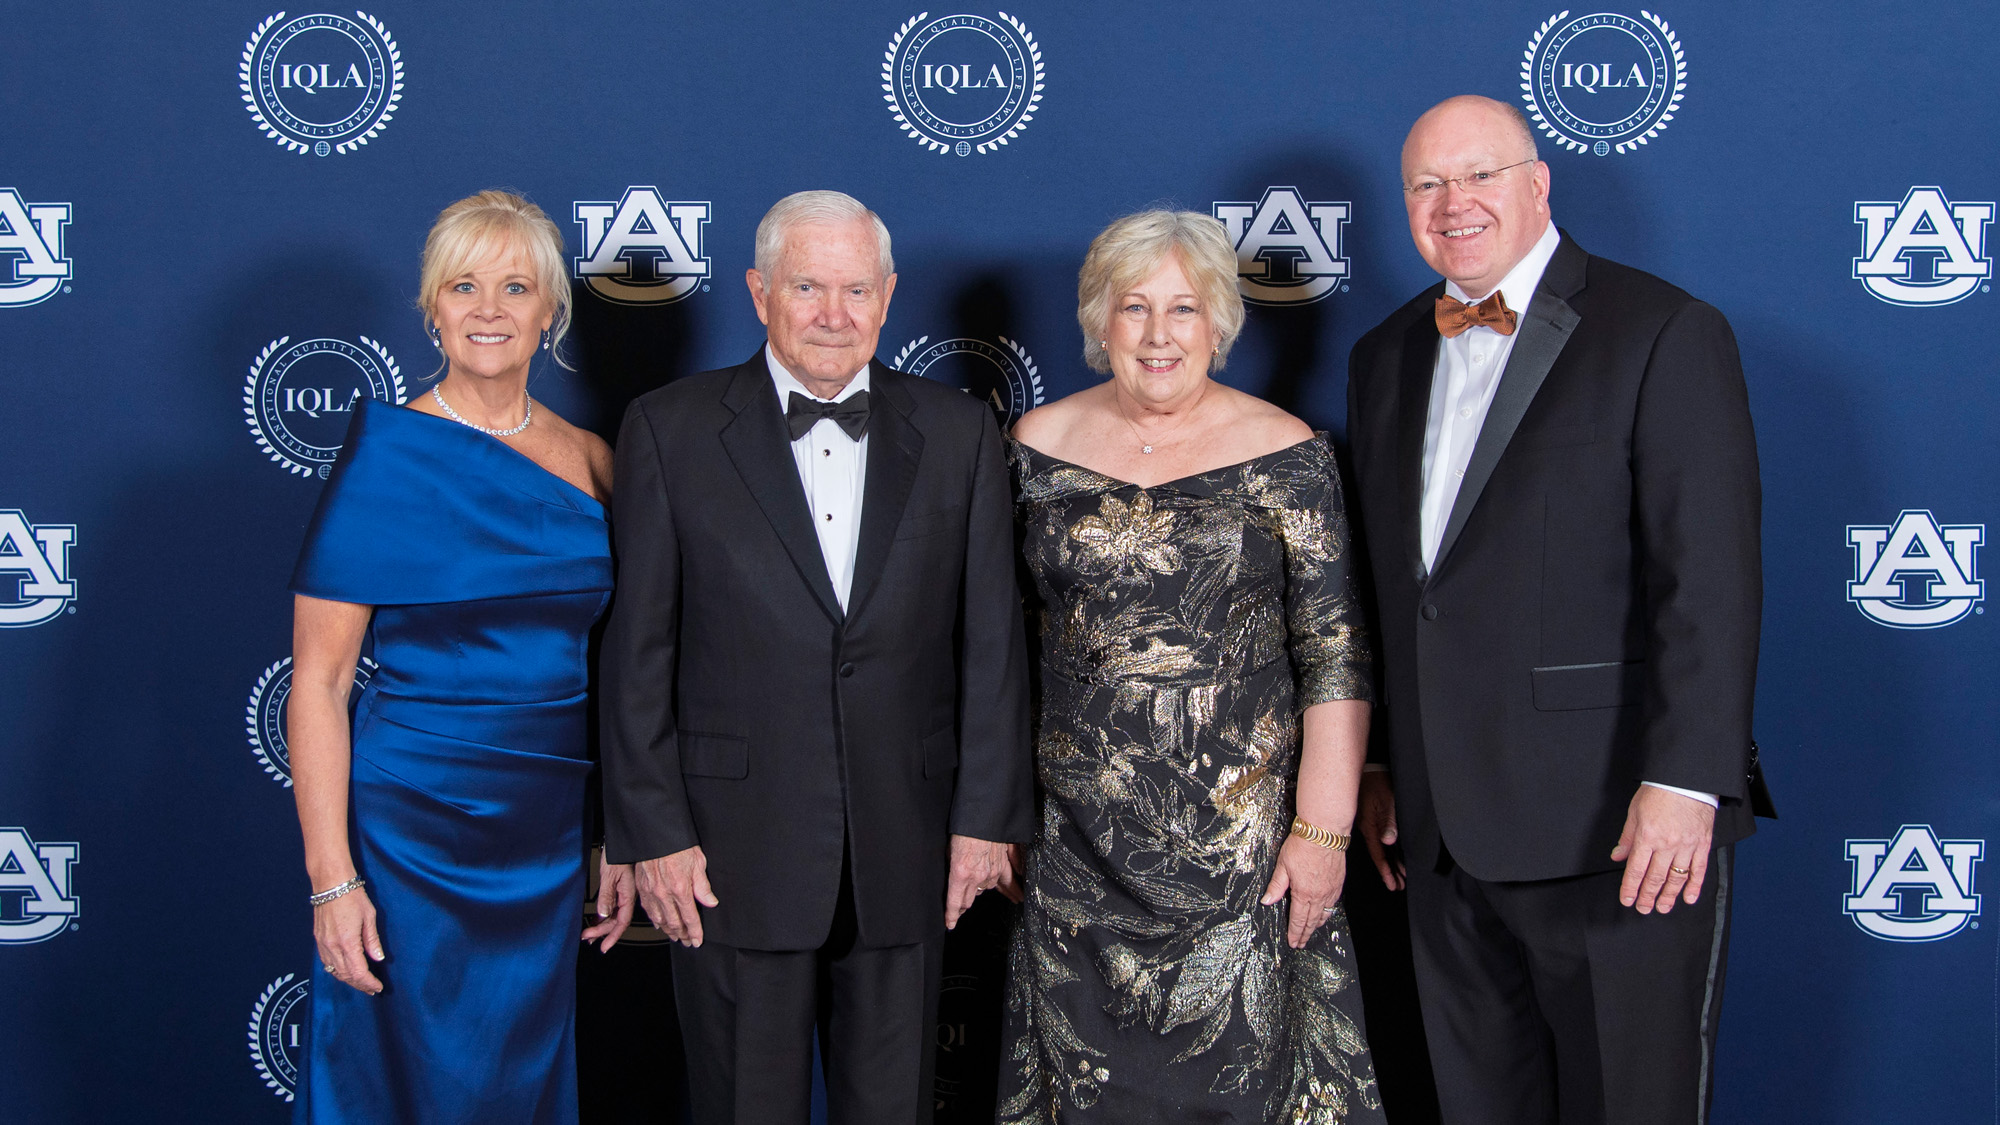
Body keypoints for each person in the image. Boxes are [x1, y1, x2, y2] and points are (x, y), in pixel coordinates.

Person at [1345, 96, 1767, 1125]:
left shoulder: (1661, 330)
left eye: (1478, 175)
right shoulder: (1384, 352)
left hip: (1614, 824)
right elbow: (1400, 590)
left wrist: (1685, 781)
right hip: (1440, 835)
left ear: (1537, 185)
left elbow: (1704, 580)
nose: (1452, 204)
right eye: (1425, 185)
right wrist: (1385, 762)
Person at [598, 189, 1032, 1125]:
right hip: (725, 850)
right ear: (758, 292)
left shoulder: (960, 433)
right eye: (806, 287)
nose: (834, 314)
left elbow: (992, 643)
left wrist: (985, 816)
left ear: (888, 296)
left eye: (855, 289)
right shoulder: (669, 429)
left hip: (907, 845)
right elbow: (636, 653)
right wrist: (653, 832)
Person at [999, 209, 1385, 1124]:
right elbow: (997, 645)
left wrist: (1322, 832)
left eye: (1184, 308)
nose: (1159, 334)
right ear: (1101, 322)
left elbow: (1334, 649)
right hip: (1072, 851)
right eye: (1135, 308)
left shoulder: (1289, 455)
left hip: (1243, 861)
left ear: (1219, 321)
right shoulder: (1032, 449)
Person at [287, 189, 635, 1123]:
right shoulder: (386, 459)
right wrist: (332, 876)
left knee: (519, 1071)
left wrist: (614, 833)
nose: (489, 310)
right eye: (465, 286)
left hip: (547, 828)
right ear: (431, 305)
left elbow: (623, 674)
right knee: (399, 1075)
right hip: (407, 828)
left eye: (515, 287)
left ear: (550, 311)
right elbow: (317, 684)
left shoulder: (597, 461)